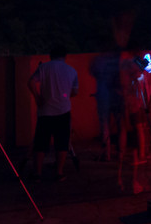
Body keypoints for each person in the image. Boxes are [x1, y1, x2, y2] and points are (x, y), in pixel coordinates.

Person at [28, 44, 79, 181]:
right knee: (62, 143)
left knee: (40, 143)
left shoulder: (43, 67)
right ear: (65, 56)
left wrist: (37, 97)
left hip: (45, 111)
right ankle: (59, 172)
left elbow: (31, 82)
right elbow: (74, 92)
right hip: (63, 110)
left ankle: (37, 173)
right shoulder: (72, 71)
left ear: (51, 55)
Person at [117, 51, 151, 193]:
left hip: (131, 113)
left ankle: (124, 181)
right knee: (135, 150)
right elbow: (128, 100)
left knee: (129, 150)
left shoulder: (131, 80)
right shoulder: (130, 82)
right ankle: (132, 182)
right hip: (132, 114)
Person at [89, 49, 122, 161]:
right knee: (120, 125)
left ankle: (107, 154)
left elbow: (92, 71)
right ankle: (120, 154)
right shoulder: (118, 59)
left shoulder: (98, 60)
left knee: (105, 125)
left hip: (103, 95)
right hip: (117, 95)